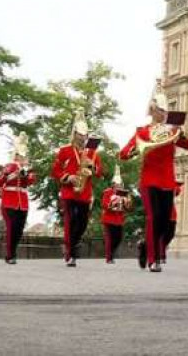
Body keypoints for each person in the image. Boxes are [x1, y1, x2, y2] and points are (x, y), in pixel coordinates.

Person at [120, 83, 188, 273]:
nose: (163, 114)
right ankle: (154, 260)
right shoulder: (142, 131)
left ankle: (145, 246)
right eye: (160, 110)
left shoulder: (171, 131)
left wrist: (182, 132)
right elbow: (123, 153)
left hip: (167, 180)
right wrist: (132, 151)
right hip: (149, 180)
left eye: (165, 111)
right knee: (153, 218)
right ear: (153, 110)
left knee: (164, 221)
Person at [52, 111, 104, 267]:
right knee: (71, 221)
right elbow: (55, 170)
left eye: (85, 135)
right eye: (80, 135)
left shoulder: (92, 152)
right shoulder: (65, 150)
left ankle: (71, 245)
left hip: (85, 192)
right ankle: (71, 253)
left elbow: (100, 172)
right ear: (74, 134)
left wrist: (92, 165)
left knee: (82, 223)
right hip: (69, 191)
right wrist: (68, 177)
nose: (83, 138)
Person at [0, 133, 35, 264]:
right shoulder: (9, 166)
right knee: (11, 228)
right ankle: (10, 255)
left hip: (23, 203)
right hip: (9, 202)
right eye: (21, 155)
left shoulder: (28, 169)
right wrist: (13, 175)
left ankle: (13, 252)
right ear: (16, 155)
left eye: (25, 156)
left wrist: (26, 173)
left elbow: (31, 181)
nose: (23, 158)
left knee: (19, 230)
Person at [101, 176, 131, 264]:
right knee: (109, 239)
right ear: (113, 184)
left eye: (120, 184)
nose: (119, 186)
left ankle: (111, 252)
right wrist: (113, 203)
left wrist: (126, 202)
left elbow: (128, 207)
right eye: (117, 184)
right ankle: (109, 257)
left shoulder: (124, 193)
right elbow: (104, 204)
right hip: (109, 219)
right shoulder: (108, 192)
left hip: (119, 219)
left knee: (118, 238)